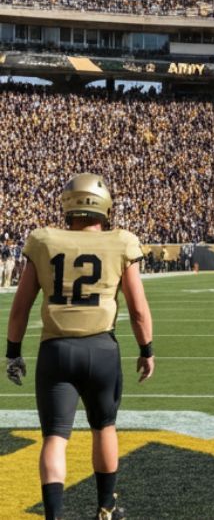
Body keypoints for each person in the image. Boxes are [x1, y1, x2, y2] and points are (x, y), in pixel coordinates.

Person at [5, 173, 155, 520]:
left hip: (56, 351)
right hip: (101, 349)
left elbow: (20, 307)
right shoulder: (121, 241)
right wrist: (146, 349)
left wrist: (13, 352)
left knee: (55, 437)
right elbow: (137, 309)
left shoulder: (43, 241)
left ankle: (54, 516)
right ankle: (105, 509)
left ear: (68, 206)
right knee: (104, 427)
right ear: (104, 207)